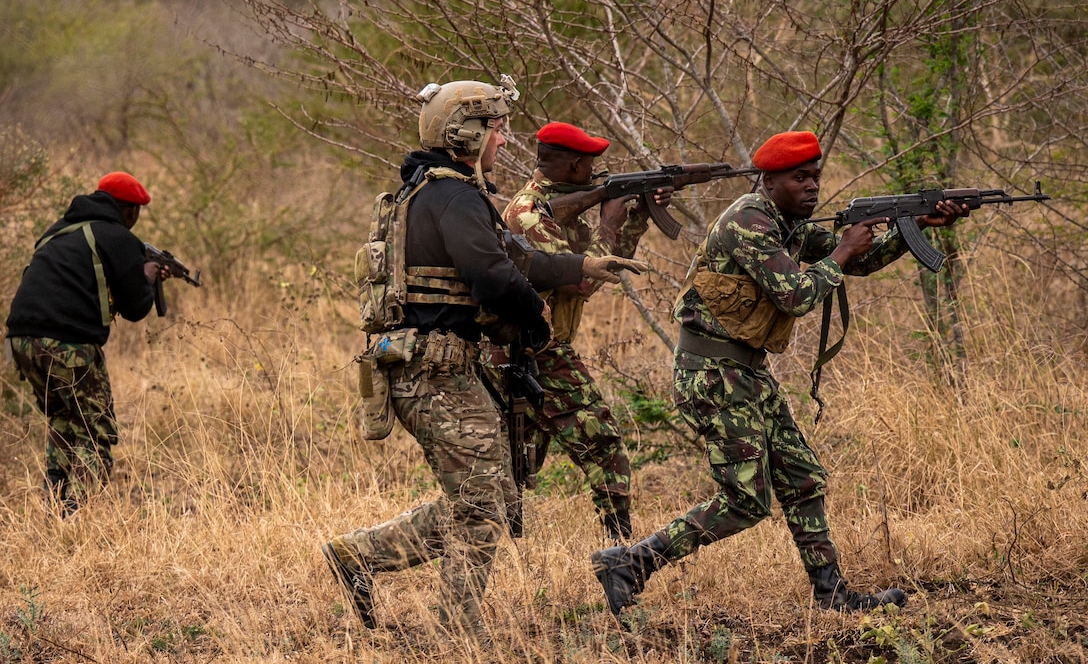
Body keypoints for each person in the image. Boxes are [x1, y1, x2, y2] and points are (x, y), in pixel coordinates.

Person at [589, 130, 970, 616]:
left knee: (802, 479)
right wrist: (842, 250)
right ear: (769, 180)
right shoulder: (750, 222)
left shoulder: (787, 222)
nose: (812, 187)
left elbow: (862, 260)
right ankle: (630, 563)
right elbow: (798, 295)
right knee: (745, 500)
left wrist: (914, 223)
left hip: (745, 372)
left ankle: (833, 596)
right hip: (713, 374)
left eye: (816, 177)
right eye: (800, 177)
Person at [320, 78, 646, 635]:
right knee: (483, 508)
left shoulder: (435, 192)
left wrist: (581, 267)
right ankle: (455, 633)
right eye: (497, 129)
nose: (504, 140)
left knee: (489, 497)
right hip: (436, 371)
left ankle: (359, 556)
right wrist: (538, 322)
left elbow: (515, 255)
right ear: (466, 133)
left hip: (434, 368)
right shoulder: (454, 196)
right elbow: (494, 276)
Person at [500, 121, 671, 541]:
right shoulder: (529, 214)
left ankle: (495, 543)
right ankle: (622, 552)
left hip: (539, 348)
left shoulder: (559, 207)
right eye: (590, 164)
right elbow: (580, 281)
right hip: (536, 351)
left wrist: (638, 218)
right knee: (603, 444)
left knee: (513, 464)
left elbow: (608, 266)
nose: (595, 171)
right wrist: (609, 220)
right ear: (574, 165)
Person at [6, 171, 166, 516]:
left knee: (64, 422)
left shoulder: (58, 230)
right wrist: (149, 276)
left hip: (20, 340)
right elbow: (136, 308)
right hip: (67, 343)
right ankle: (75, 517)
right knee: (96, 434)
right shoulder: (116, 237)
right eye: (135, 212)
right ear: (129, 210)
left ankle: (56, 510)